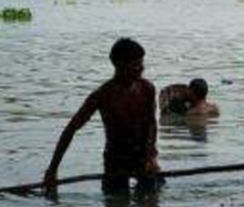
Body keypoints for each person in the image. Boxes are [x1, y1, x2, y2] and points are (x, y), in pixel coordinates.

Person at [44, 38, 160, 194]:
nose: (141, 69)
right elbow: (71, 129)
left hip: (143, 160)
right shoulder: (103, 95)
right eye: (136, 65)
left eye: (141, 63)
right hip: (116, 162)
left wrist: (151, 156)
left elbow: (151, 125)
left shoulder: (147, 89)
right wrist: (53, 169)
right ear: (119, 64)